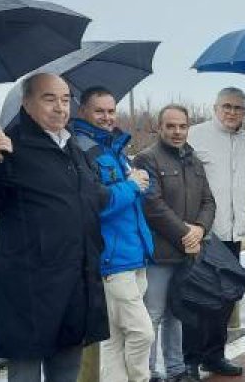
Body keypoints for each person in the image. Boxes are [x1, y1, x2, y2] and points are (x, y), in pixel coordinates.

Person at [0, 73, 109, 382]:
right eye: (49, 98)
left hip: (75, 281)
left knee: (67, 372)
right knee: (25, 374)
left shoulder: (74, 148)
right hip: (30, 288)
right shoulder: (11, 147)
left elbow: (90, 199)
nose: (60, 108)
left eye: (66, 99)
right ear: (26, 103)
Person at [136, 104, 231, 381]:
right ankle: (150, 372)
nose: (177, 132)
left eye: (182, 126)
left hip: (188, 254)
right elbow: (152, 204)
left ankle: (176, 368)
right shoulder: (146, 158)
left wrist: (200, 229)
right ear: (160, 127)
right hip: (160, 254)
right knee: (152, 316)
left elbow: (208, 201)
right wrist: (185, 234)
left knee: (177, 313)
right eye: (171, 126)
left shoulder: (193, 159)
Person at [70, 87, 155, 382]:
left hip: (134, 254)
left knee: (114, 340)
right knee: (142, 333)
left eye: (111, 110)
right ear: (83, 112)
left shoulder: (113, 148)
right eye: (99, 111)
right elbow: (96, 205)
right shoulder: (82, 149)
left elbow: (131, 198)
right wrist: (132, 186)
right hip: (112, 260)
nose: (107, 117)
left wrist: (142, 182)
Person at [186, 88, 245, 248]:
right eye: (227, 106)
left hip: (236, 232)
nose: (232, 112)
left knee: (232, 273)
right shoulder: (194, 135)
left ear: (244, 112)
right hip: (205, 231)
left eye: (238, 108)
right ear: (215, 108)